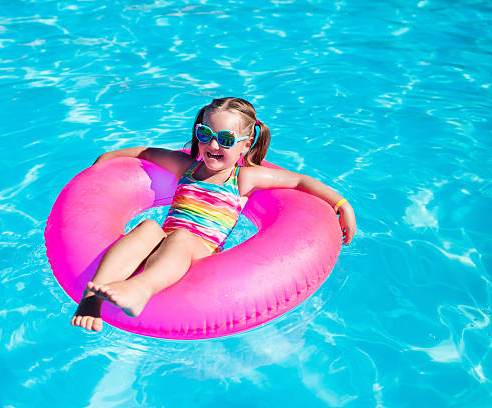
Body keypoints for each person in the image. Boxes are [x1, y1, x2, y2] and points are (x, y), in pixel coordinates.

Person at [71, 97, 356, 332]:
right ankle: (92, 298)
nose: (213, 145)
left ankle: (140, 289)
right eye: (205, 135)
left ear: (246, 144)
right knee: (147, 227)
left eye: (226, 139)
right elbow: (147, 153)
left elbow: (298, 181)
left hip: (200, 250)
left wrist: (342, 203)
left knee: (180, 237)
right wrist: (106, 160)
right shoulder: (187, 166)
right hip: (166, 242)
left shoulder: (243, 178)